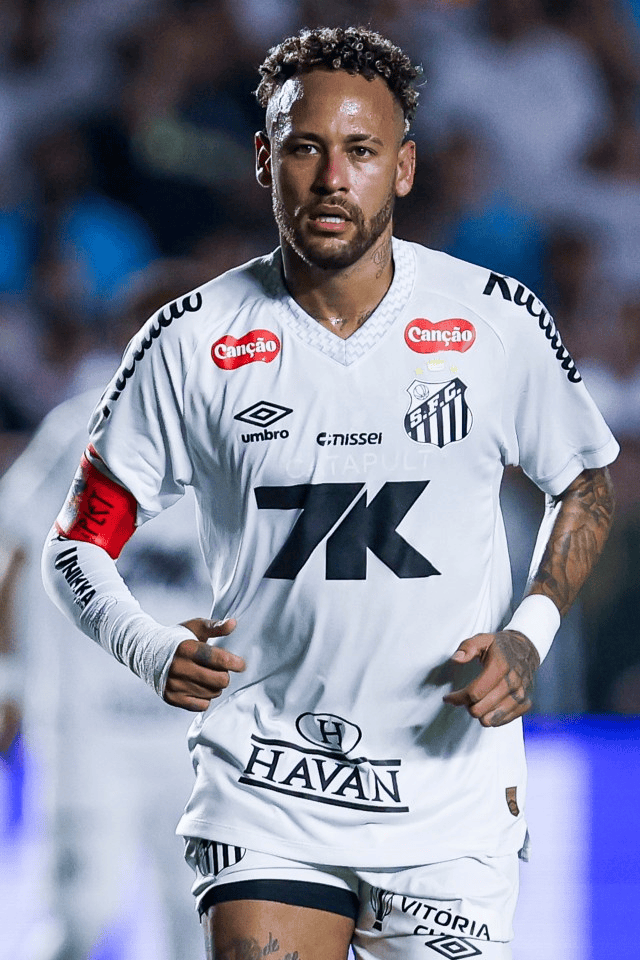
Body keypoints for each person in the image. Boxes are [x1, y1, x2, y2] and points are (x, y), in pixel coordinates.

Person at [42, 26, 618, 960]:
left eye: (362, 150)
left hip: (447, 796)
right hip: (265, 789)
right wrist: (145, 646)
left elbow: (585, 483)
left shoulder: (495, 321)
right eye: (305, 148)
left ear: (405, 168)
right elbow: (77, 542)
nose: (332, 178)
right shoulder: (191, 340)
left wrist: (529, 632)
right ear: (263, 159)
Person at [1, 263, 212, 960]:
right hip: (87, 729)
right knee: (80, 918)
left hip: (195, 737)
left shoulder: (249, 437)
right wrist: (8, 681)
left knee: (201, 928)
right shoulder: (82, 429)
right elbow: (15, 548)